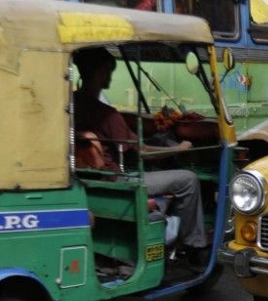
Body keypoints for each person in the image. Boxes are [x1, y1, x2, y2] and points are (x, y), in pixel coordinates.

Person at [72, 47, 209, 270]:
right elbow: (143, 151)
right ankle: (196, 247)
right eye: (108, 70)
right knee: (188, 179)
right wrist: (181, 148)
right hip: (116, 183)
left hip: (86, 181)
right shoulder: (107, 114)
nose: (109, 76)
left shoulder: (70, 106)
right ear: (99, 71)